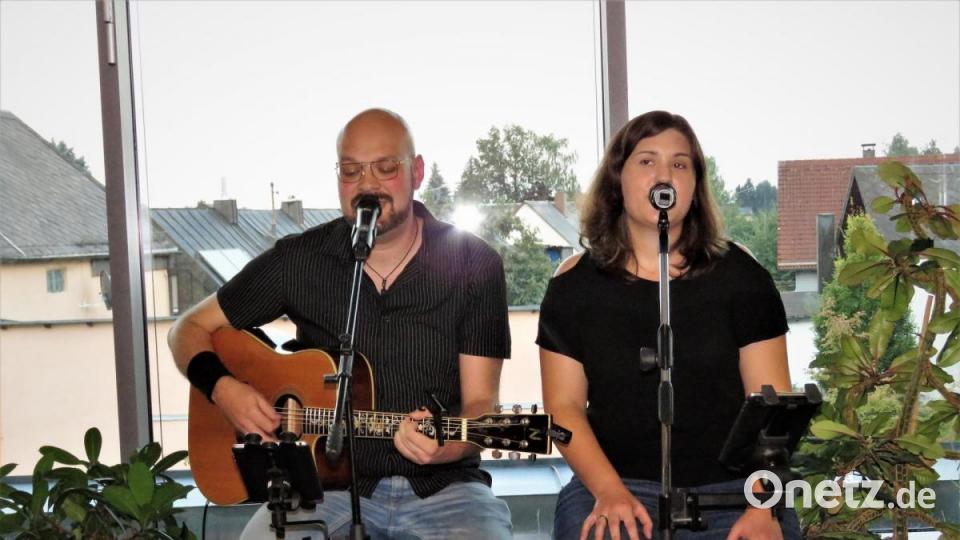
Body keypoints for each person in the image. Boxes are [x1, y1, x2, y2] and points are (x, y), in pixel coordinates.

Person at [168, 108, 513, 540]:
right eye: (351, 171)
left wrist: (447, 448)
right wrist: (223, 389)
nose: (367, 185)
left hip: (446, 489)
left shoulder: (474, 264)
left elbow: (482, 403)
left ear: (417, 171)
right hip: (320, 489)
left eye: (385, 168)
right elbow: (187, 330)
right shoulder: (299, 260)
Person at [537, 111, 802, 540]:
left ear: (695, 185)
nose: (665, 175)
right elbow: (562, 410)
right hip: (615, 483)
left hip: (736, 490)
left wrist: (762, 507)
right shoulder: (574, 286)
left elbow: (773, 409)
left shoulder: (741, 276)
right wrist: (608, 491)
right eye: (647, 161)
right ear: (617, 179)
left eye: (680, 164)